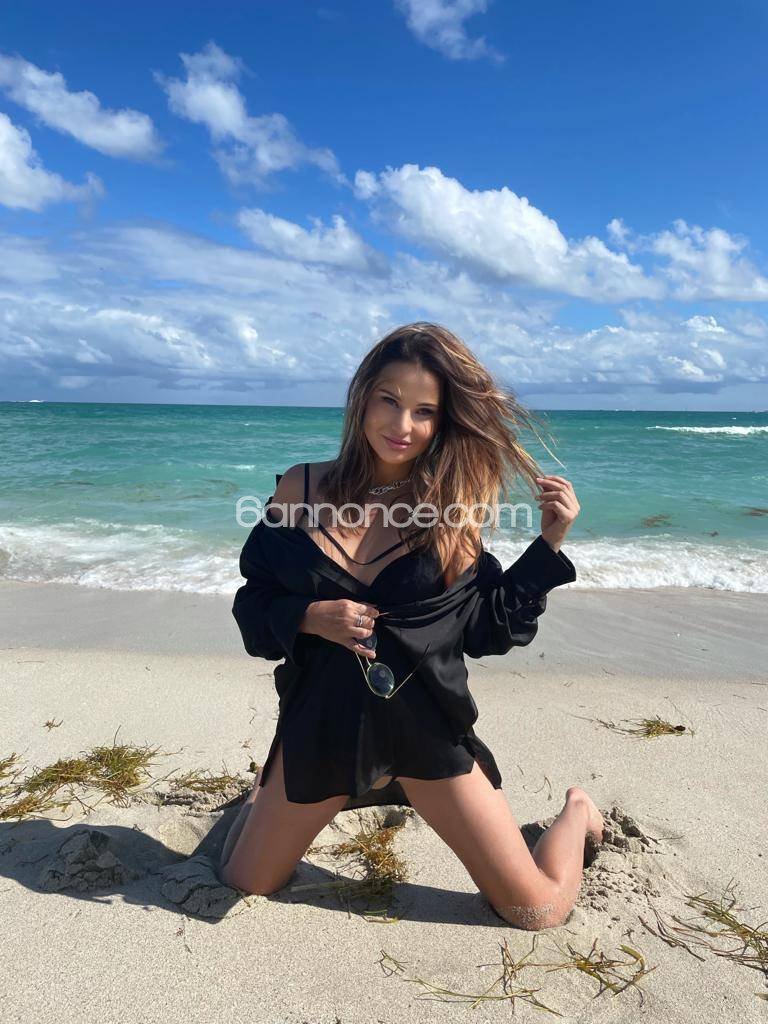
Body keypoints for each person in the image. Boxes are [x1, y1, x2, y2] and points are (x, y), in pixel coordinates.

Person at [221, 322, 603, 931]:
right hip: (324, 724)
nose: (402, 425)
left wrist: (548, 544)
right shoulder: (300, 487)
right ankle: (275, 788)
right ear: (362, 398)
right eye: (389, 400)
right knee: (245, 880)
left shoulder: (452, 512)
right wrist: (309, 617)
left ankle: (578, 810)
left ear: (443, 421)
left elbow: (484, 631)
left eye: (425, 411)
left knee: (538, 911)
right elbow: (254, 603)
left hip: (424, 731)